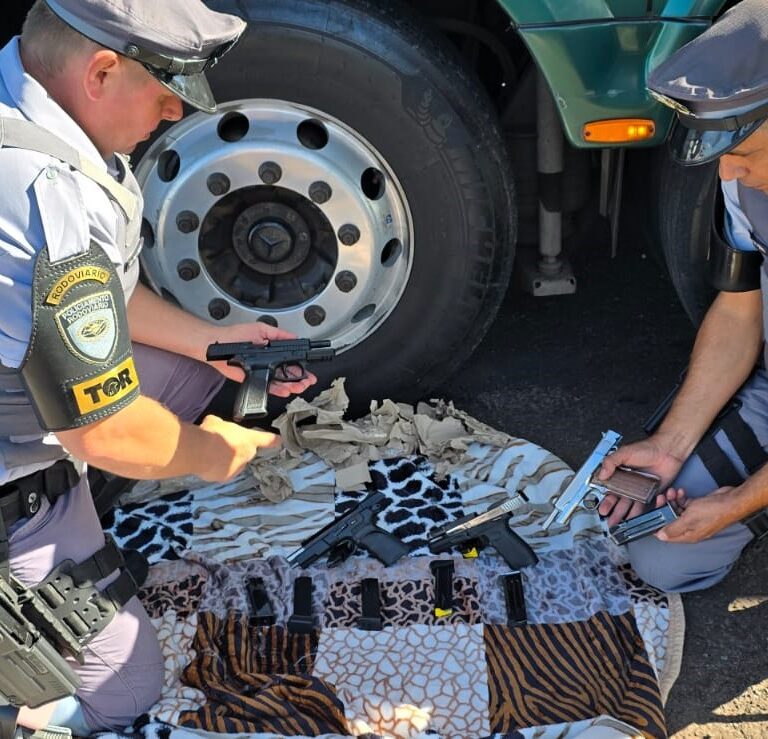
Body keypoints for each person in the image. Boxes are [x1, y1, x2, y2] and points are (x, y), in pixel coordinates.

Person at [0, 0, 317, 734]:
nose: (176, 110)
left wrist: (221, 340)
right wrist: (216, 455)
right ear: (102, 71)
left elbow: (100, 293)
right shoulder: (39, 193)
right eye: (167, 87)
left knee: (213, 384)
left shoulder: (38, 108)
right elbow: (104, 431)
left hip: (28, 405)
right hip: (17, 471)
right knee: (127, 688)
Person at [596, 0, 768, 594]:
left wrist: (741, 500)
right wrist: (671, 445)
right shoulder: (746, 187)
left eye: (743, 155)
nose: (727, 177)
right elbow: (741, 308)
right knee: (660, 557)